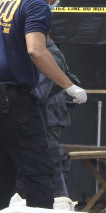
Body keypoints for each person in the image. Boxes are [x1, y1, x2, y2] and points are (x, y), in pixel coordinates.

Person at [0, 0, 87, 212]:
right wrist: (69, 87)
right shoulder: (36, 5)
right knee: (39, 169)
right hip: (10, 97)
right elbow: (36, 50)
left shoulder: (1, 1)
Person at [31, 35, 74, 197]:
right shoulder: (45, 54)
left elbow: (38, 93)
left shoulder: (50, 57)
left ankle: (59, 208)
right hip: (45, 120)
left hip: (47, 122)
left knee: (51, 170)